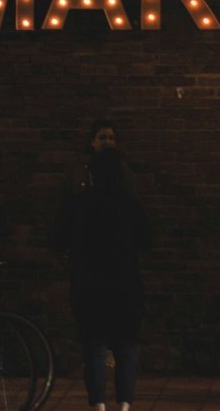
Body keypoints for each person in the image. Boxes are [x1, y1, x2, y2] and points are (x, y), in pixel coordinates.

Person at [51, 120, 150, 411]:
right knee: (126, 349)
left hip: (89, 285)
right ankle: (124, 406)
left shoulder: (80, 204)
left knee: (94, 349)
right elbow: (147, 239)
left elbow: (56, 238)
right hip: (125, 284)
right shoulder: (129, 204)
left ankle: (98, 406)